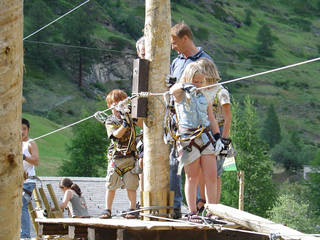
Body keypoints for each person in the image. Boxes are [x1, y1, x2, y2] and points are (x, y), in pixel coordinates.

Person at [167, 22, 214, 219]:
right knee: (178, 168)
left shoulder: (205, 60)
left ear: (185, 38)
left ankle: (204, 206)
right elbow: (170, 88)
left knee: (206, 170)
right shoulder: (176, 62)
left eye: (174, 42)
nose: (172, 46)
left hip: (202, 122)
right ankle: (180, 208)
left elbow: (212, 92)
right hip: (179, 123)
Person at [169, 62, 222, 223]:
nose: (198, 84)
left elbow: (211, 118)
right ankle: (192, 212)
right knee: (192, 176)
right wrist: (184, 86)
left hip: (206, 137)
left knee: (211, 175)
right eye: (196, 81)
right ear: (188, 78)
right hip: (188, 139)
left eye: (201, 81)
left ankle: (212, 210)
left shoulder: (204, 95)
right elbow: (172, 90)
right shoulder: (181, 94)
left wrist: (218, 138)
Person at [99, 89, 142, 219]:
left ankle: (132, 208)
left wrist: (130, 114)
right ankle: (107, 209)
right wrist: (124, 124)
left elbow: (142, 124)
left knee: (131, 184)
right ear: (109, 106)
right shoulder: (110, 120)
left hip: (130, 157)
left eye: (120, 103)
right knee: (111, 184)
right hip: (116, 158)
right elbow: (116, 135)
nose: (118, 106)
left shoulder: (130, 116)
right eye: (115, 103)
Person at [196, 58, 232, 207]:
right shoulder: (200, 90)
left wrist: (223, 140)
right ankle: (202, 200)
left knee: (215, 172)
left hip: (219, 131)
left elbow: (228, 117)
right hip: (203, 131)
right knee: (200, 169)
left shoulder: (221, 91)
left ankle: (214, 205)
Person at [21, 118, 39, 238]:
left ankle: (25, 235)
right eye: (19, 129)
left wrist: (23, 157)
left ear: (28, 130)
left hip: (28, 181)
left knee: (22, 204)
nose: (22, 132)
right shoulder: (13, 143)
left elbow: (36, 161)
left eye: (24, 129)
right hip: (17, 181)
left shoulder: (30, 143)